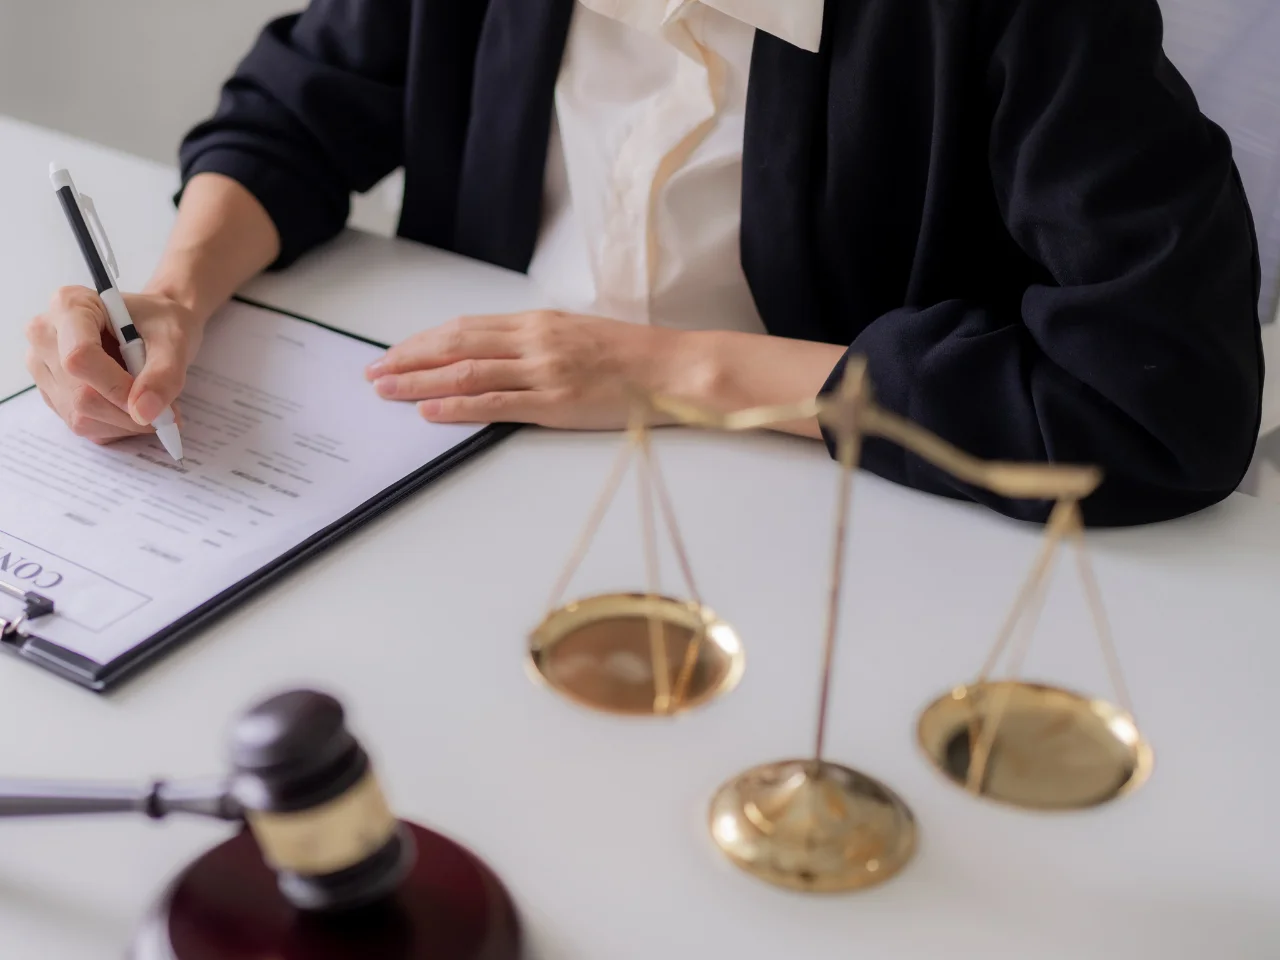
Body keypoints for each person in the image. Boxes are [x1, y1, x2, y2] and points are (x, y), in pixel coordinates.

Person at [23, 0, 1264, 526]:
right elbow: (301, 106)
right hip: (472, 484)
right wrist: (174, 290)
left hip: (840, 526)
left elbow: (1164, 401)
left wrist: (675, 369)